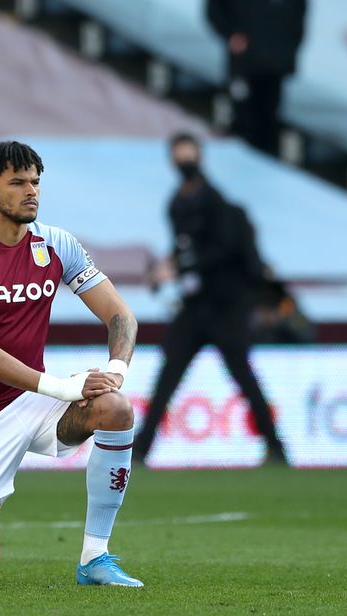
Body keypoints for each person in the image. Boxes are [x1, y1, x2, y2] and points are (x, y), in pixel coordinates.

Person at [0, 140, 143, 586]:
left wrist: (116, 370)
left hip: (33, 400)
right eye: (18, 182)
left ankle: (94, 558)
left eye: (36, 182)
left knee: (117, 408)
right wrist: (64, 387)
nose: (32, 191)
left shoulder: (56, 243)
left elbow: (121, 315)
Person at [134, 133, 288, 466]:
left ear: (200, 158)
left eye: (189, 157)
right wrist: (167, 268)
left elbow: (221, 251)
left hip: (227, 306)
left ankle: (275, 446)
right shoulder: (176, 203)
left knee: (242, 376)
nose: (184, 164)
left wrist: (178, 267)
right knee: (168, 374)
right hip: (195, 306)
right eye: (179, 157)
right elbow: (183, 248)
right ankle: (141, 448)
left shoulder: (220, 205)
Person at [207, 0, 307, 155]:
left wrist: (288, 50)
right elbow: (215, 10)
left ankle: (266, 167)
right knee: (242, 118)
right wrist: (231, 34)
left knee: (269, 122)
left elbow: (298, 19)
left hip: (275, 65)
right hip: (244, 65)